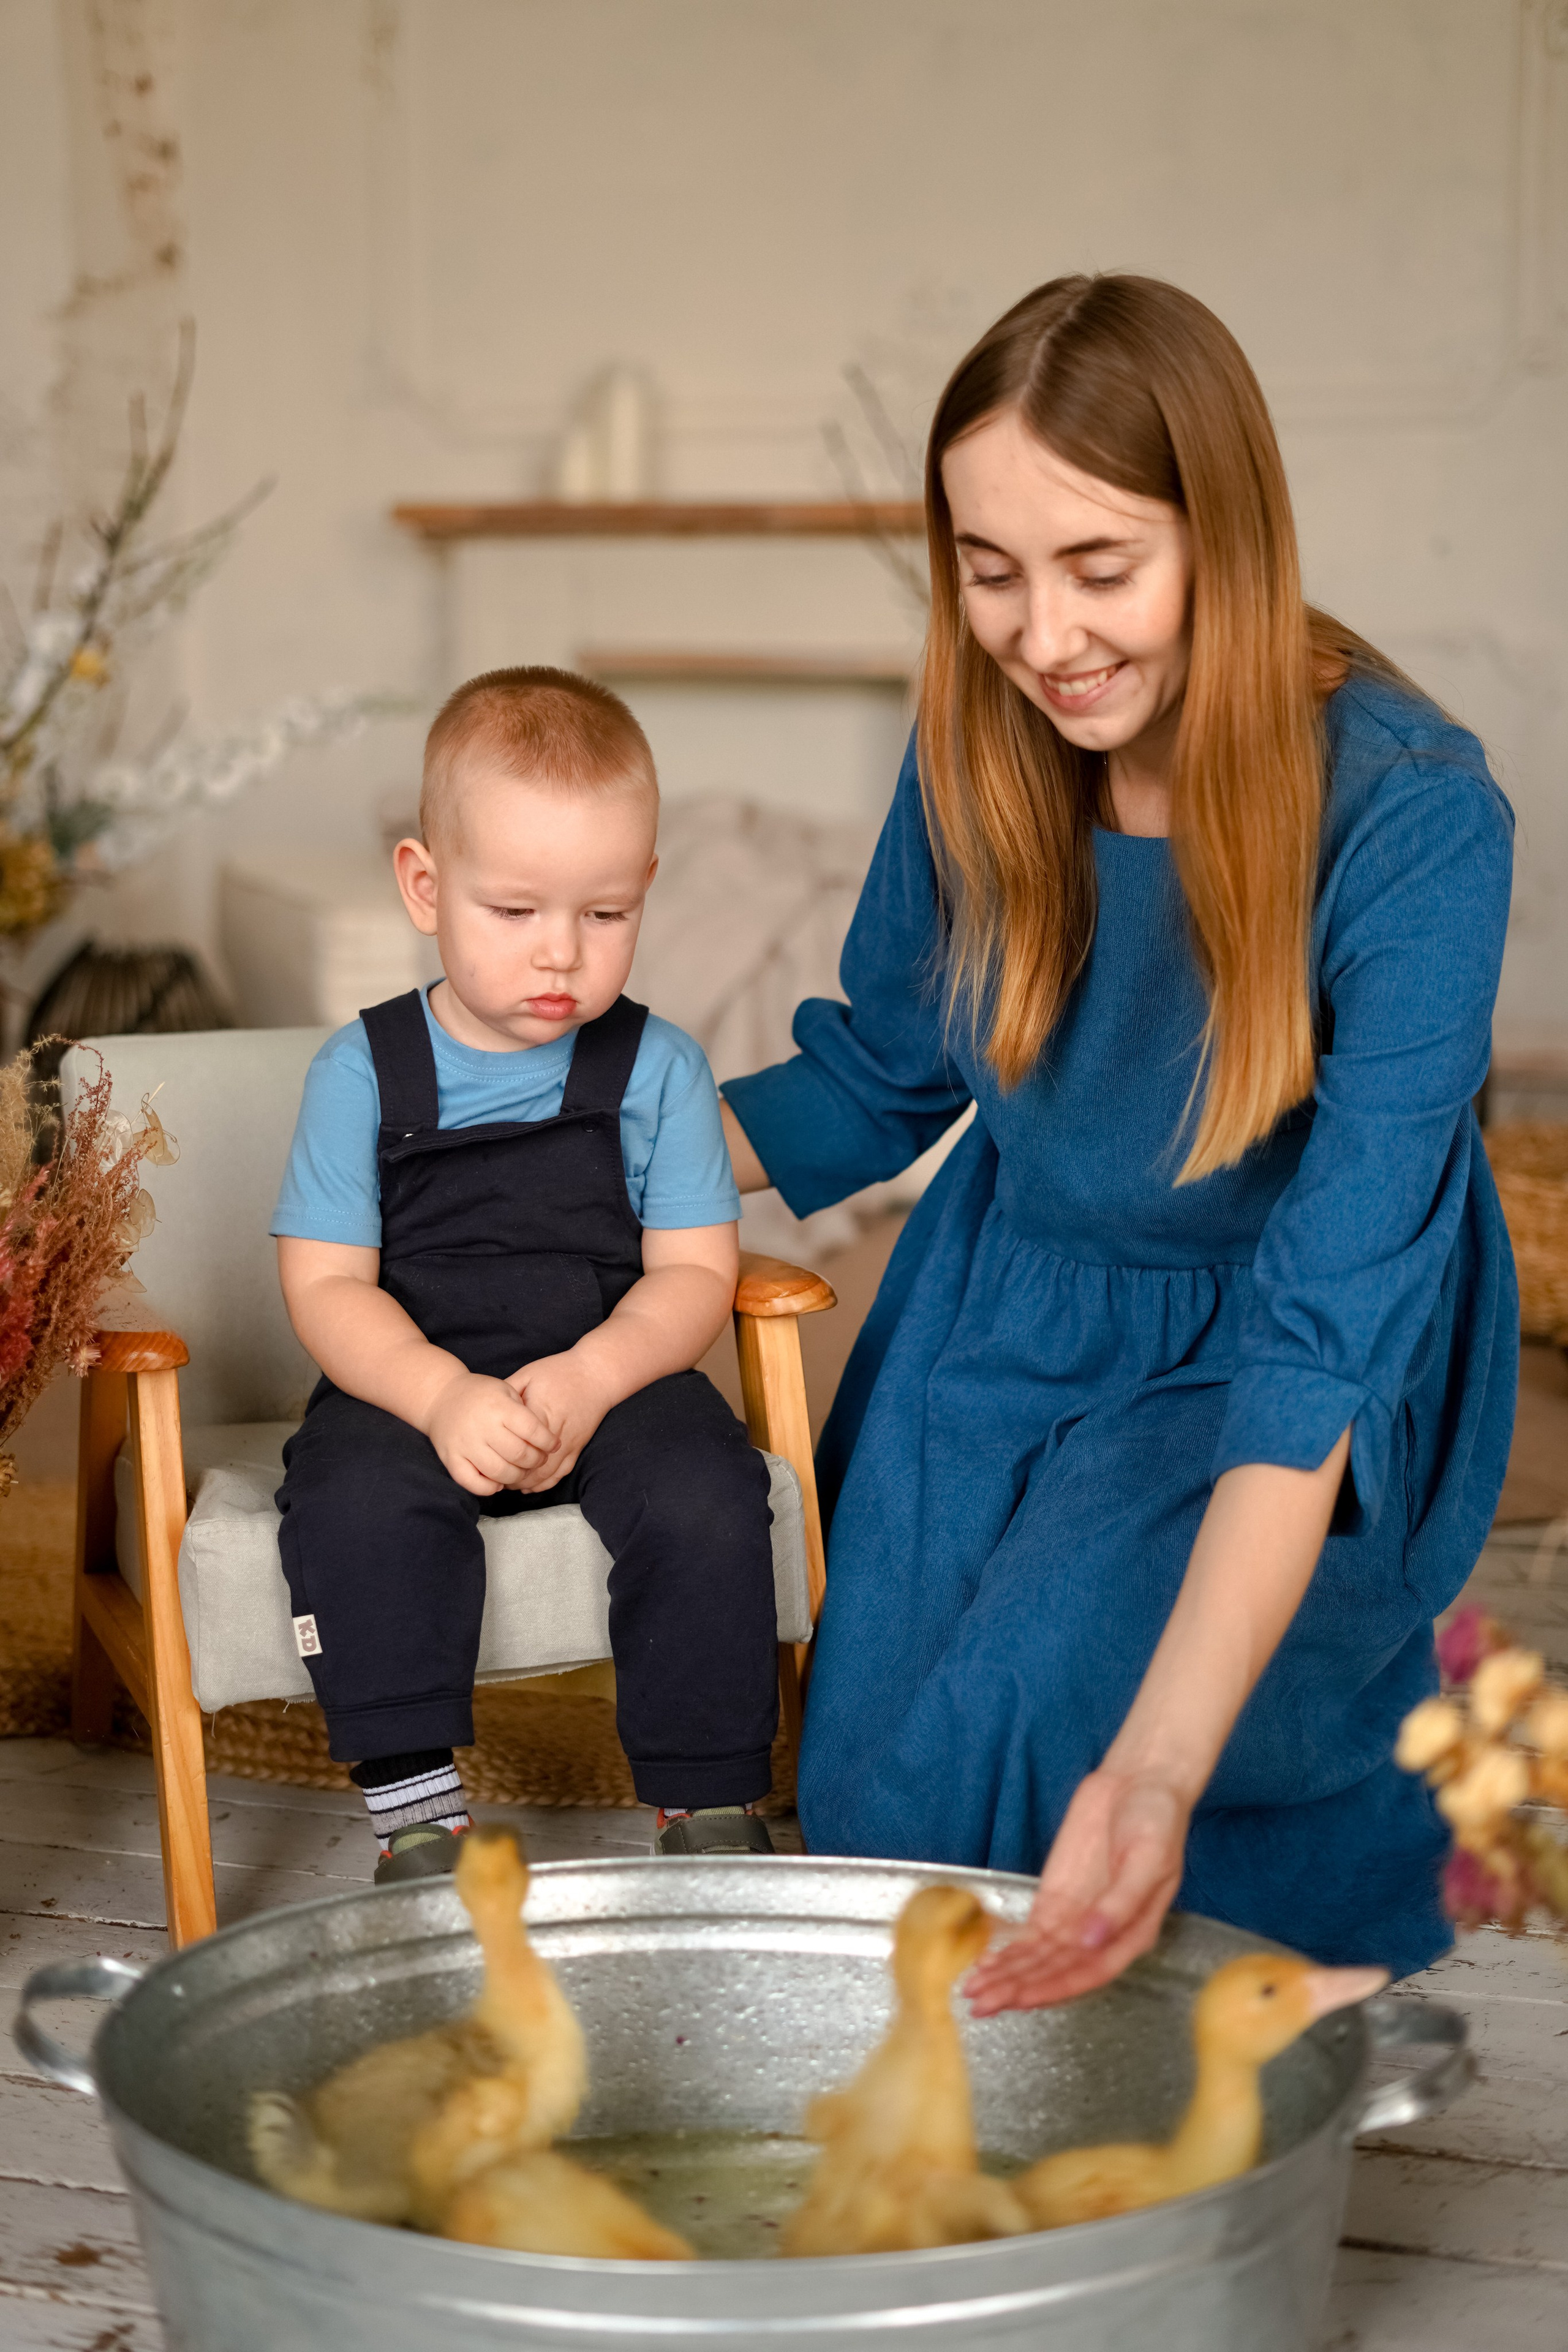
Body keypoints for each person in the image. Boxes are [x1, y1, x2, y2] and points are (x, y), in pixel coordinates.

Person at [720, 276, 1516, 2003]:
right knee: (877, 1807)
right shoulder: (985, 747)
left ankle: (1291, 1925)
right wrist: (585, 1154)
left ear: (1224, 534)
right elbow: (887, 1072)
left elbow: (1327, 1339)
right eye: (988, 571)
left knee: (1042, 1729)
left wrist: (1149, 1773)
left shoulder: (1415, 818)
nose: (1040, 636)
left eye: (1100, 568)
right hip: (1006, 1307)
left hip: (1278, 1350)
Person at [271, 667, 779, 1881]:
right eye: (515, 913)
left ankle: (705, 1796)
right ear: (424, 887)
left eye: (604, 915)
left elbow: (696, 1274)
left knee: (708, 1489)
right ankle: (417, 1810)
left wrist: (597, 1376)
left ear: (644, 890)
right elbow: (329, 1288)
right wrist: (442, 1397)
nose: (562, 954)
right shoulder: (363, 1071)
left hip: (607, 1363)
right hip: (413, 1370)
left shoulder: (657, 1067)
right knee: (350, 1503)